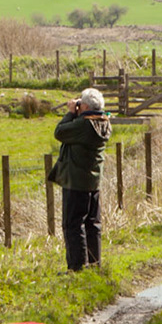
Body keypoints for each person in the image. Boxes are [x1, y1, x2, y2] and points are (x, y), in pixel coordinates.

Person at [50, 86, 112, 271]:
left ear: (85, 107)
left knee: (73, 224)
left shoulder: (84, 124)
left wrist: (70, 113)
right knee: (92, 224)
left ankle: (76, 267)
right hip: (93, 182)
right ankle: (94, 263)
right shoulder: (104, 122)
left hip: (76, 181)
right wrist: (79, 113)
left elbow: (60, 132)